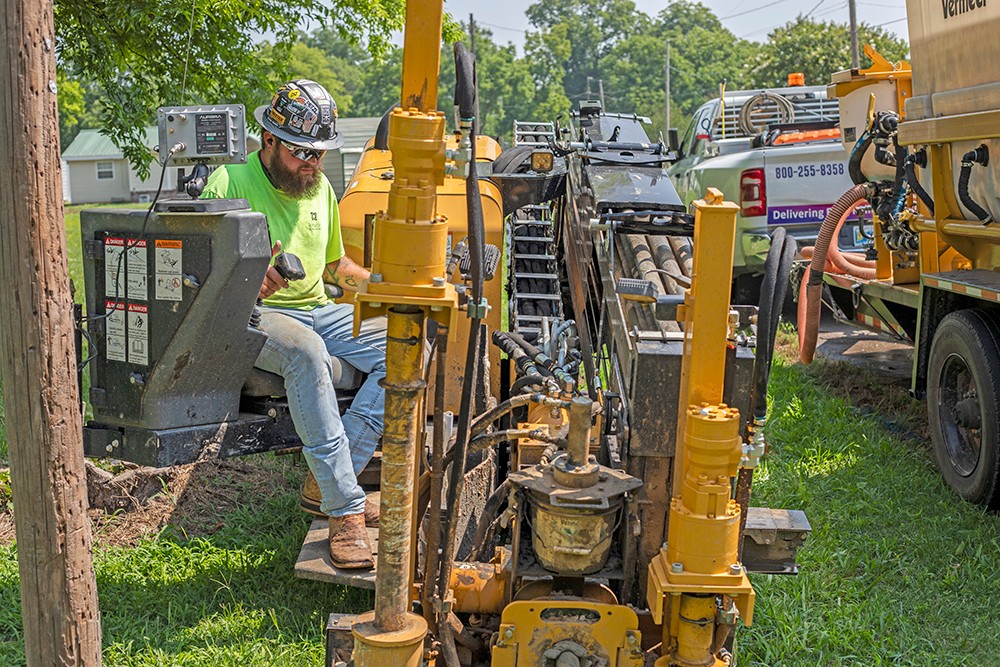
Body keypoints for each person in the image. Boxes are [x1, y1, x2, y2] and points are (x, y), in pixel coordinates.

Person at [201, 79, 384, 569]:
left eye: (321, 153)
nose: (314, 163)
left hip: (318, 307)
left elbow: (335, 269)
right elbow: (199, 275)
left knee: (412, 344)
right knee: (307, 354)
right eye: (303, 151)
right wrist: (244, 280)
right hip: (252, 314)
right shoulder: (229, 181)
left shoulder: (319, 188)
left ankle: (331, 474)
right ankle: (346, 510)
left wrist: (394, 284)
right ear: (270, 140)